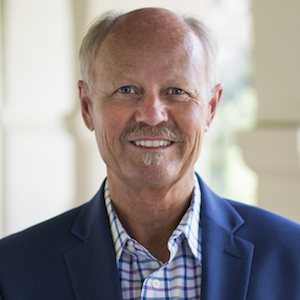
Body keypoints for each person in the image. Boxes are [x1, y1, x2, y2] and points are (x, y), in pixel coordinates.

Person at [0, 7, 299, 300]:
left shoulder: (293, 256)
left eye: (176, 91)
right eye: (127, 89)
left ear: (210, 108)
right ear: (88, 107)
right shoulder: (11, 271)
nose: (152, 115)